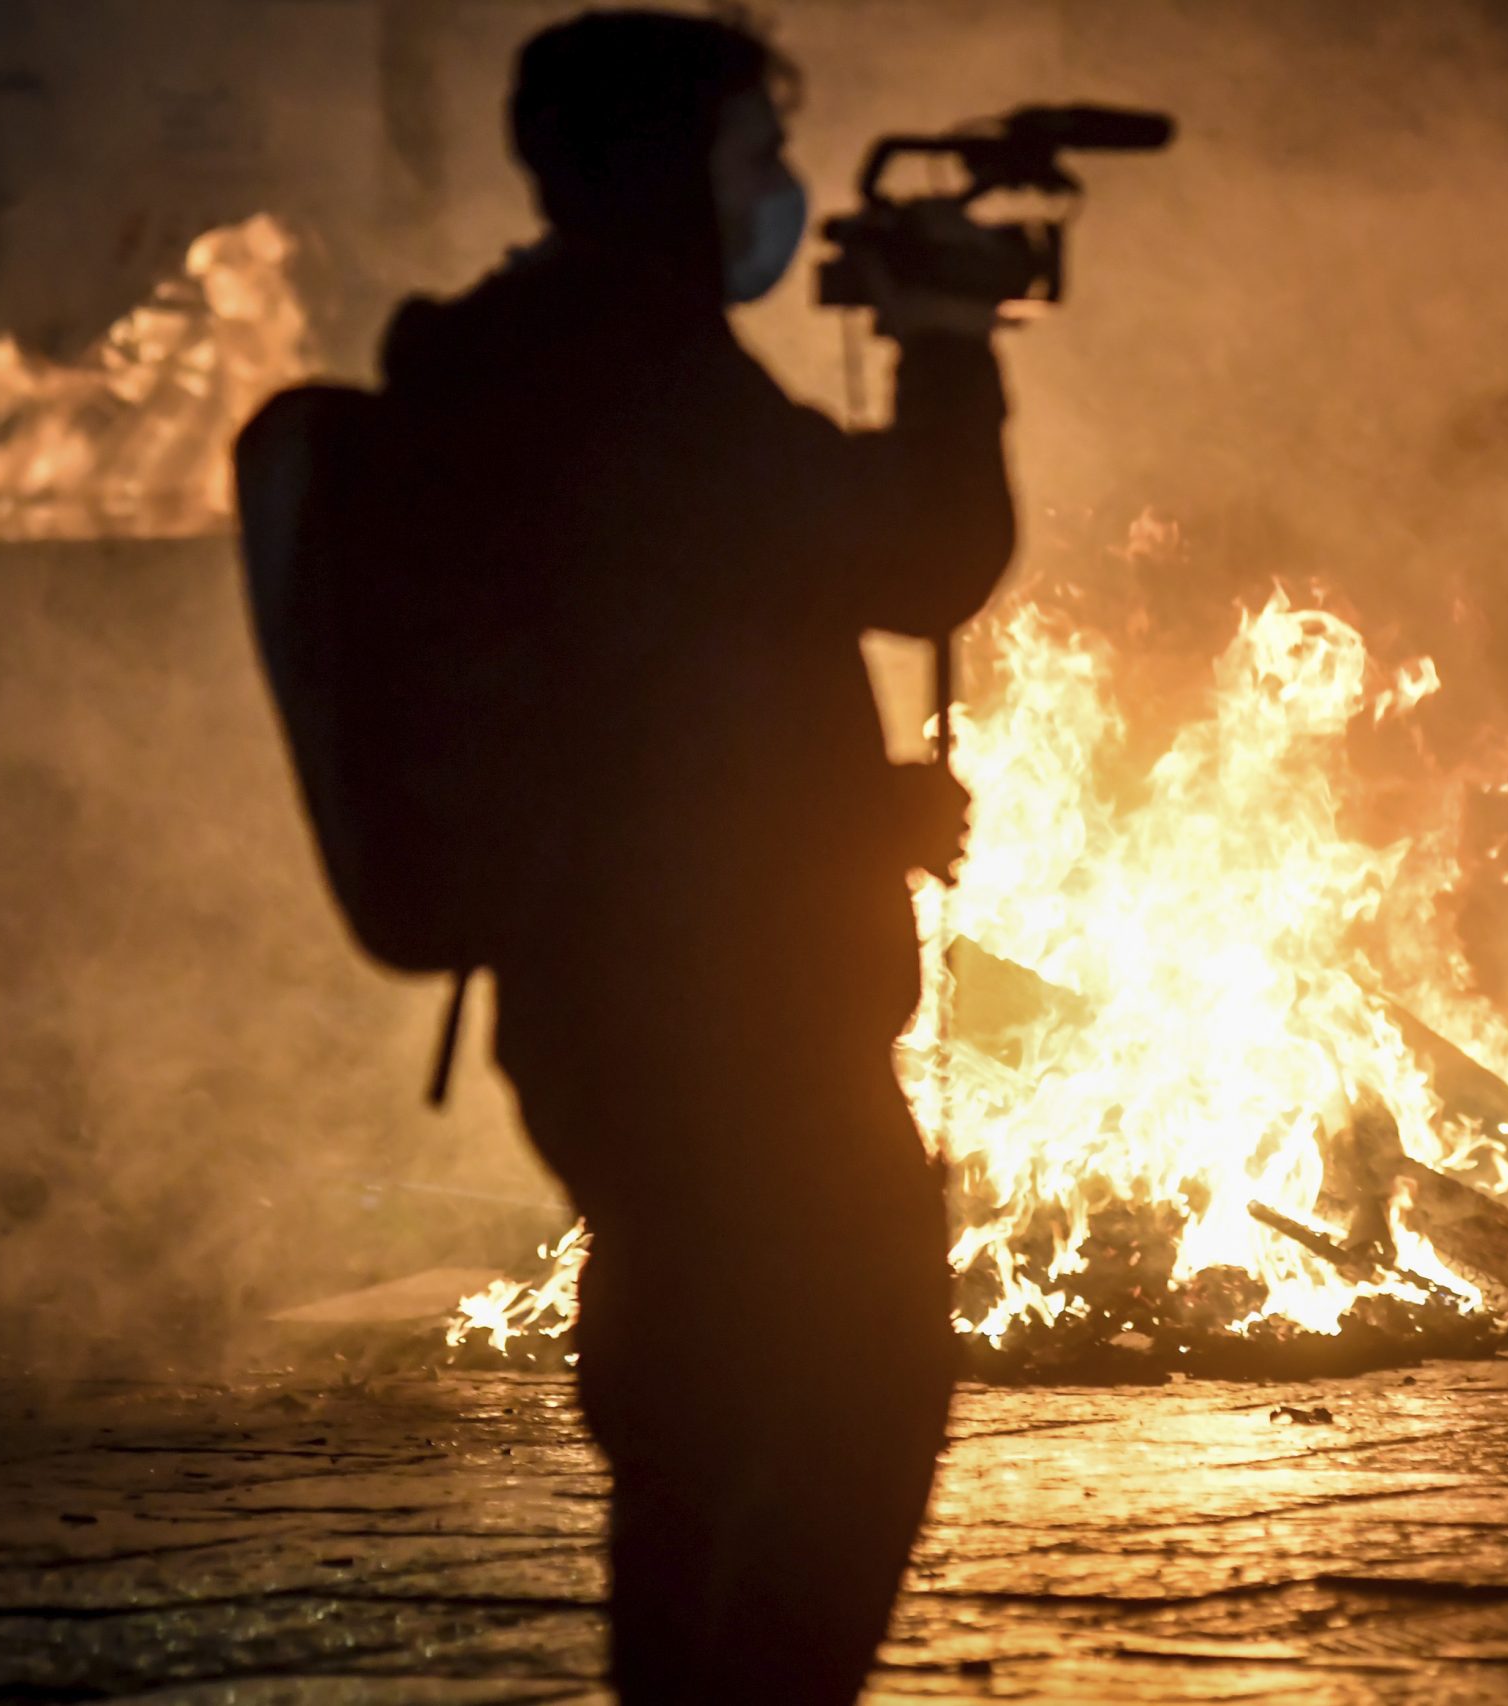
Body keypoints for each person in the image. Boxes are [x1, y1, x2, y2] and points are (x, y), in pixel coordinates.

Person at [372, 10, 1013, 1699]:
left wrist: (852, 813)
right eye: (755, 157)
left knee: (695, 1436)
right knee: (849, 1394)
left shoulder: (511, 367)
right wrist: (949, 340)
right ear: (666, 175)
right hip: (731, 1029)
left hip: (608, 999)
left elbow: (649, 714)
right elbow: (924, 550)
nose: (785, 193)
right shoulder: (638, 384)